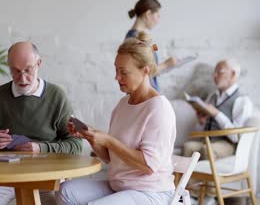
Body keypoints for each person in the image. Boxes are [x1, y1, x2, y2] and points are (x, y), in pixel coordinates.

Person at [56, 32, 176, 204]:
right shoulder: (123, 104)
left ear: (145, 71)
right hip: (120, 187)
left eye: (123, 72)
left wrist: (109, 141)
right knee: (66, 191)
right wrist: (91, 138)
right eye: (116, 70)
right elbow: (111, 158)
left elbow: (148, 165)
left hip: (151, 192)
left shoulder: (158, 108)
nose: (117, 77)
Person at [0, 41, 82, 205]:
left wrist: (42, 148)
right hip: (2, 178)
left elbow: (76, 144)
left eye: (28, 70)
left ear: (39, 64)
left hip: (45, 177)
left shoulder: (57, 96)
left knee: (55, 200)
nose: (22, 78)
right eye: (15, 71)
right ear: (9, 67)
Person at [183, 59, 253, 160]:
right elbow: (200, 130)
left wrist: (217, 114)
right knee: (188, 147)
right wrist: (201, 122)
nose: (215, 76)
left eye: (219, 72)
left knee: (207, 150)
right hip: (207, 140)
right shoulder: (212, 97)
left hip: (226, 144)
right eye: (214, 72)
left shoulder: (242, 100)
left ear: (233, 74)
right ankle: (187, 176)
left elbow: (236, 137)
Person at [125, 0, 177, 91]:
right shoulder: (135, 39)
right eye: (158, 16)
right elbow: (142, 73)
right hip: (145, 95)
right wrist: (166, 64)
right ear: (148, 14)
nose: (158, 20)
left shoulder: (136, 36)